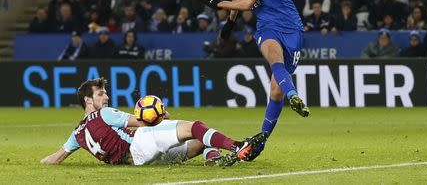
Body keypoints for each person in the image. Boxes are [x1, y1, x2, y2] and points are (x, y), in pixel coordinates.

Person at [198, 0, 310, 161]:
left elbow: (247, 2)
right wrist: (229, 24)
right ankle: (294, 96)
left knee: (276, 91)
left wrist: (217, 3)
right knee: (273, 57)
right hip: (267, 28)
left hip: (291, 29)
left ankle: (262, 139)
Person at [41, 78, 267, 166]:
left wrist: (39, 163)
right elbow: (141, 122)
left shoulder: (77, 133)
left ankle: (214, 159)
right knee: (196, 126)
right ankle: (239, 147)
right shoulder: (104, 113)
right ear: (88, 100)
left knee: (200, 141)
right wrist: (160, 116)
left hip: (139, 161)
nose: (106, 97)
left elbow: (55, 158)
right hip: (140, 144)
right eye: (101, 94)